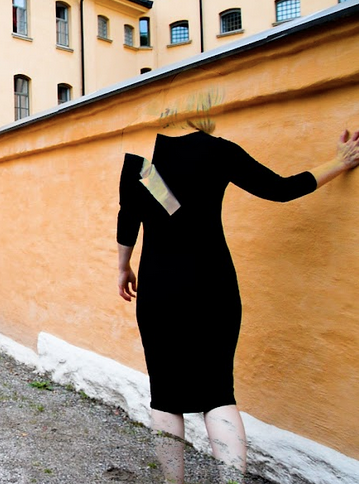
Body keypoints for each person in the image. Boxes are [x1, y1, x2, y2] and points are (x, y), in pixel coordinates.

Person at [116, 124, 359, 483]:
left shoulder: (143, 159)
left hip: (160, 287)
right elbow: (281, 189)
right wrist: (339, 163)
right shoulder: (218, 150)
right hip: (213, 286)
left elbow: (130, 218)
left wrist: (123, 267)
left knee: (165, 395)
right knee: (217, 393)